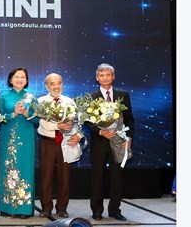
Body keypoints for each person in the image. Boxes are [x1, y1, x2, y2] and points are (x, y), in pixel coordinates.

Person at [84, 63, 134, 221]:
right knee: (97, 177)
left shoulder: (123, 95)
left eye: (108, 75)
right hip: (99, 142)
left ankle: (115, 210)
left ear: (113, 76)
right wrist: (100, 131)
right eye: (102, 75)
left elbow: (129, 119)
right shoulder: (91, 97)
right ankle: (97, 211)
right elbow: (86, 121)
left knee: (117, 177)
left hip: (119, 141)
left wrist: (129, 138)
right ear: (97, 77)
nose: (105, 78)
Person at [0, 67, 39, 219]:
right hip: (9, 137)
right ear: (10, 79)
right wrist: (13, 113)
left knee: (25, 168)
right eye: (16, 77)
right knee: (9, 168)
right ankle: (7, 207)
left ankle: (24, 209)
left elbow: (37, 120)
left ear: (26, 81)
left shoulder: (31, 97)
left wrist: (26, 113)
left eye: (23, 77)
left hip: (26, 137)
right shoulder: (4, 97)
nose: (19, 79)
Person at [37, 73, 81, 219]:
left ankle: (62, 208)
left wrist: (78, 136)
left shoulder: (70, 102)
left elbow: (78, 123)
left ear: (62, 84)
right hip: (47, 142)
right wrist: (58, 125)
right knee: (46, 176)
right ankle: (46, 207)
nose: (56, 86)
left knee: (64, 176)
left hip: (66, 142)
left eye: (59, 83)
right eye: (52, 83)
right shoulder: (41, 101)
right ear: (46, 86)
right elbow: (42, 123)